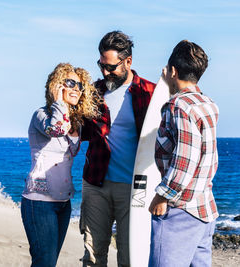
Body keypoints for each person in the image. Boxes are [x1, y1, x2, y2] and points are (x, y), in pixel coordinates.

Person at [79, 31, 156, 267]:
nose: (105, 72)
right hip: (96, 184)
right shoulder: (93, 92)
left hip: (134, 190)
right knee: (93, 256)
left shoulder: (150, 93)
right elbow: (77, 129)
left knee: (130, 257)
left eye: (111, 67)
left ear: (128, 62)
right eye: (101, 65)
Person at [21, 63, 100, 267]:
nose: (76, 88)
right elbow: (56, 129)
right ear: (57, 85)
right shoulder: (41, 115)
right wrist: (59, 103)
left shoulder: (77, 122)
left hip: (63, 203)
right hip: (39, 201)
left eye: (80, 85)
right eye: (70, 83)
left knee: (50, 262)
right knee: (44, 262)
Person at [148, 40, 219, 267]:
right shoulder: (208, 104)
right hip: (204, 207)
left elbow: (184, 161)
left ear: (173, 71)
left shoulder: (178, 106)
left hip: (180, 210)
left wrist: (162, 195)